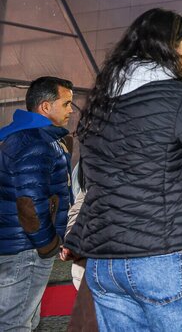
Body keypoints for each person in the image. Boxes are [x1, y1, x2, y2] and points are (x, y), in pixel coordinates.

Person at [66, 8, 182, 331]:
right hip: (166, 257)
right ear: (168, 48)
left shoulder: (99, 103)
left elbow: (91, 182)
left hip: (106, 262)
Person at [0, 76, 74, 331]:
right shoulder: (35, 143)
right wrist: (48, 245)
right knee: (16, 323)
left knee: (22, 320)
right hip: (26, 249)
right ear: (45, 107)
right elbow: (30, 203)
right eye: (66, 104)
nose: (71, 110)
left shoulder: (20, 137)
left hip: (16, 245)